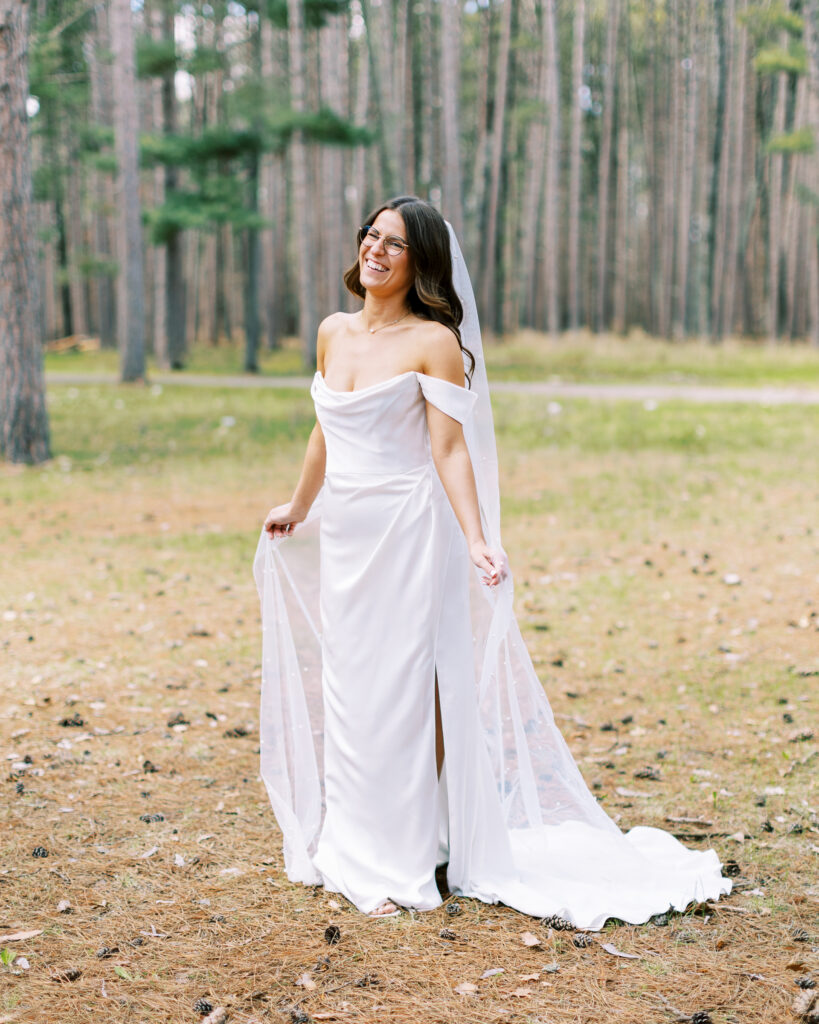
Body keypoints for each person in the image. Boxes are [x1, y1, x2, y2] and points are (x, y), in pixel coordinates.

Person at [254, 195, 731, 924]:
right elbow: (326, 431)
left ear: (421, 264)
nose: (375, 251)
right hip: (349, 532)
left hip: (411, 533)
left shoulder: (433, 341)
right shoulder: (331, 333)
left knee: (405, 689)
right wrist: (300, 504)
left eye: (395, 244)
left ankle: (401, 858)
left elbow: (449, 448)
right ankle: (352, 845)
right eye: (370, 236)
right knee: (351, 687)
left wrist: (477, 537)